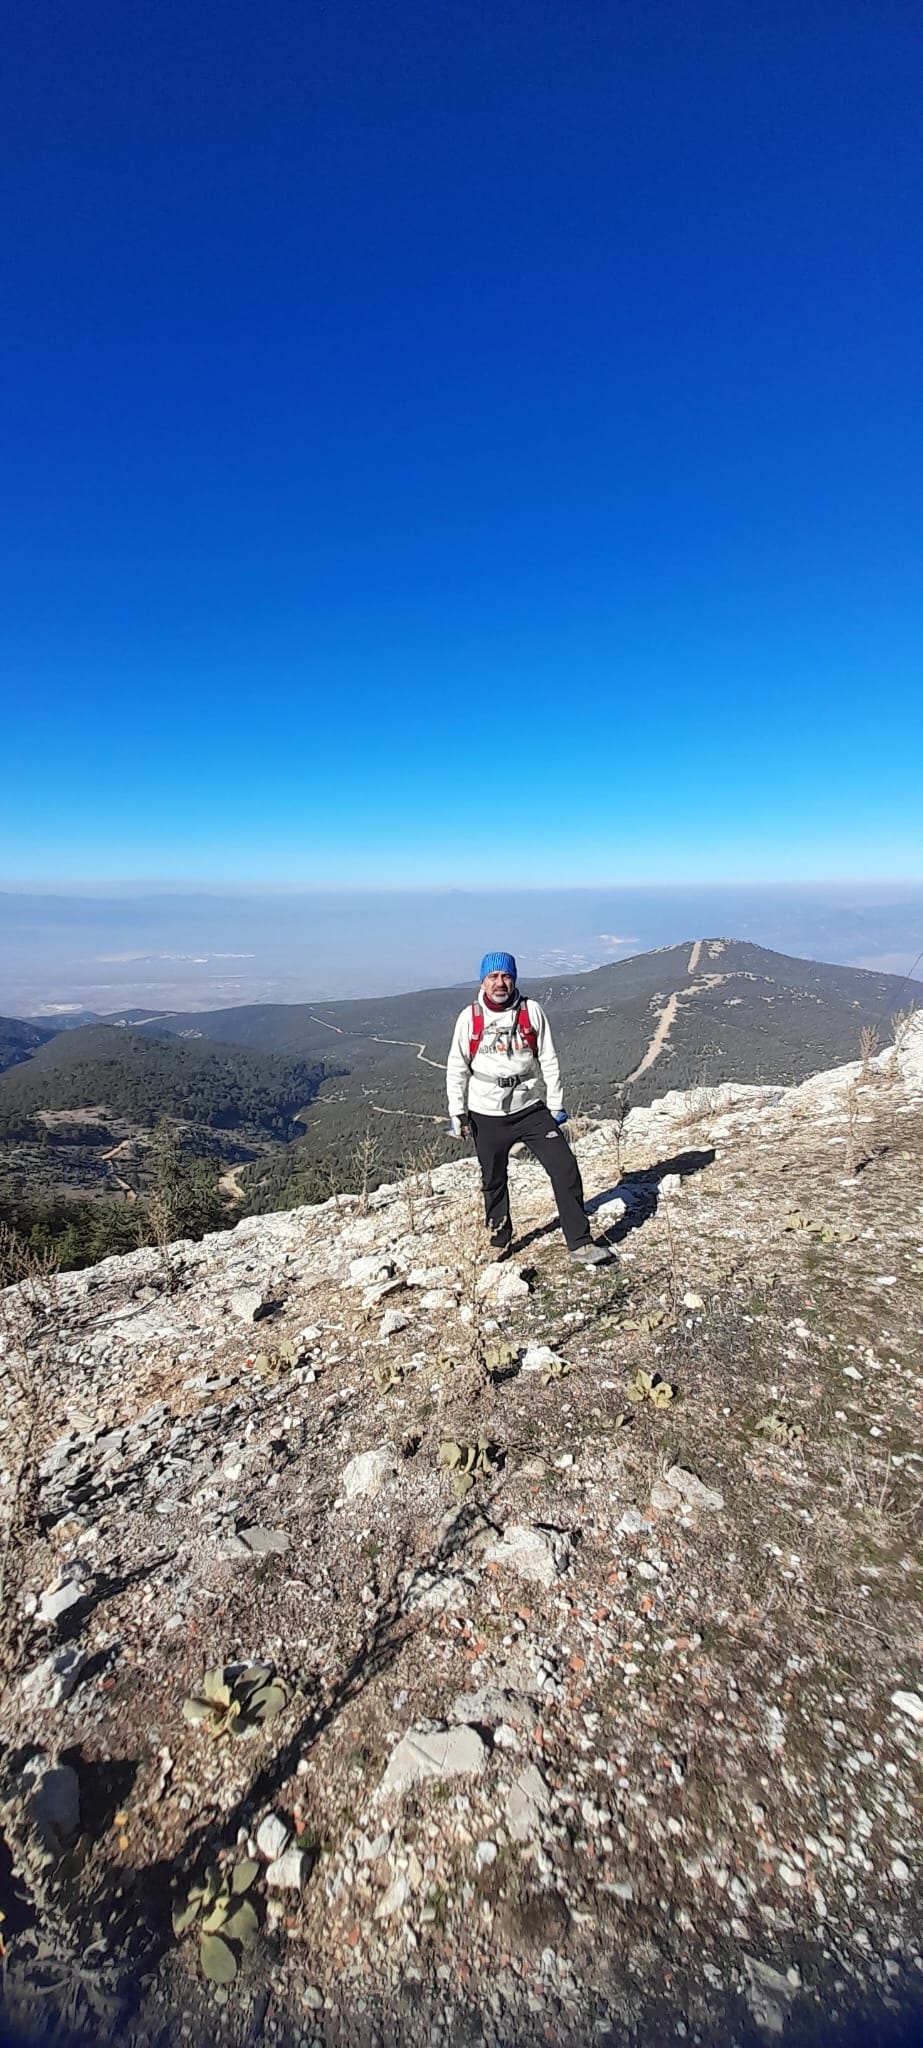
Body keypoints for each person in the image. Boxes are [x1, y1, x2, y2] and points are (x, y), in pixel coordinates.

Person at [446, 951, 609, 1266]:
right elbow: (457, 1066)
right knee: (493, 1180)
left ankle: (580, 1243)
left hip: (530, 1107)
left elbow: (548, 1058)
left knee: (565, 1168)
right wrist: (458, 1111)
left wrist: (556, 1103)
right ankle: (499, 1241)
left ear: (514, 979)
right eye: (493, 976)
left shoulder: (531, 1011)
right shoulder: (470, 1017)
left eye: (506, 976)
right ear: (482, 982)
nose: (500, 983)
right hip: (485, 1112)